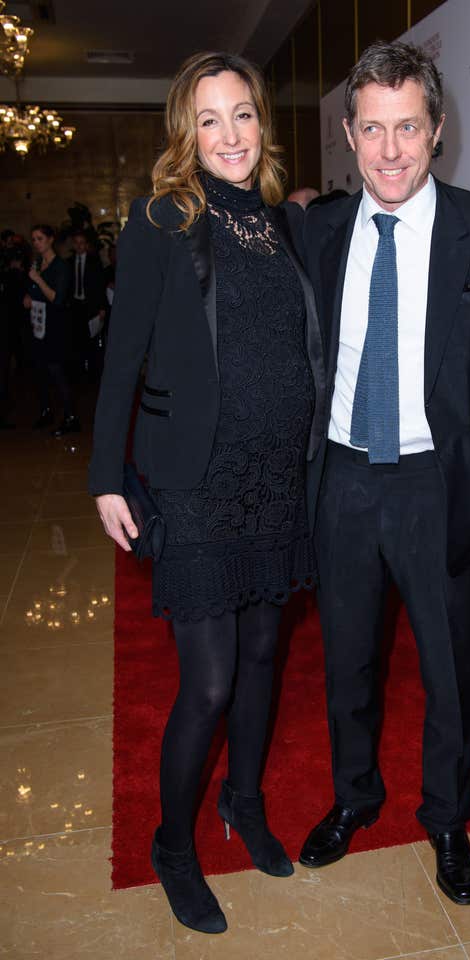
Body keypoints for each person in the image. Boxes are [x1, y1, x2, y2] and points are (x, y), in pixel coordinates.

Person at [290, 41, 470, 906]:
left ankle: (446, 819)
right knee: (348, 662)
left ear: (438, 129)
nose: (390, 150)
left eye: (408, 126)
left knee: (450, 668)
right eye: (372, 129)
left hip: (438, 480)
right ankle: (354, 798)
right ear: (349, 132)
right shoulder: (320, 230)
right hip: (341, 479)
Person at [88, 51, 324, 935]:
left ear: (262, 123)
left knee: (265, 659)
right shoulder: (161, 220)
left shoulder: (280, 224)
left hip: (275, 480)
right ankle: (173, 847)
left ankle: (246, 802)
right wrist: (106, 473)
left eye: (242, 115)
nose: (228, 135)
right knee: (213, 681)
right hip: (195, 484)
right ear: (186, 132)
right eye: (209, 119)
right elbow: (122, 358)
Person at [24, 225, 80, 436]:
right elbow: (35, 291)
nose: (36, 243)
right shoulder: (38, 263)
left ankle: (71, 417)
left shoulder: (61, 266)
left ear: (50, 240)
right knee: (40, 370)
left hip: (56, 326)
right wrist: (30, 297)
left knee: (57, 371)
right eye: (34, 239)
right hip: (39, 325)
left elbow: (57, 299)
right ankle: (46, 411)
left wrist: (37, 280)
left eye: (39, 238)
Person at [69, 228, 107, 382]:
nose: (79, 246)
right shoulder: (69, 262)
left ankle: (94, 372)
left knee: (92, 340)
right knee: (77, 340)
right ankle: (79, 371)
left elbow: (100, 285)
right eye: (76, 243)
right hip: (75, 306)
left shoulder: (94, 261)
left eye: (82, 243)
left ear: (86, 245)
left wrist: (102, 307)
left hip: (90, 305)